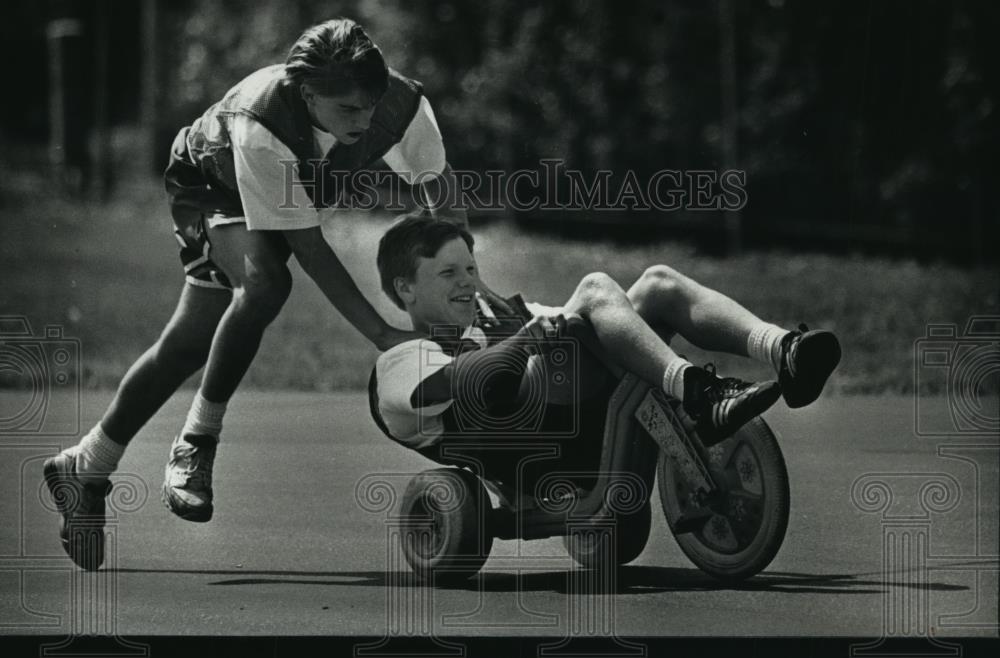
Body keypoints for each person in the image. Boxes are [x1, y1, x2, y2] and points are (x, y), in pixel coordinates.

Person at [43, 18, 508, 571]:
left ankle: (86, 464)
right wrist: (383, 332)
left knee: (191, 344)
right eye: (348, 112)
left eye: (370, 107)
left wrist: (472, 289)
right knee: (266, 283)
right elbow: (307, 246)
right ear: (308, 94)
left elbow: (442, 200)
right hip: (211, 179)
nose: (364, 123)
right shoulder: (261, 126)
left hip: (294, 184)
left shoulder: (403, 108)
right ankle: (197, 442)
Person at [368, 214, 841, 458]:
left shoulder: (501, 316)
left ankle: (784, 350)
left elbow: (577, 322)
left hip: (574, 389)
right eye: (448, 272)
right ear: (404, 288)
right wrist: (528, 341)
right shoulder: (405, 356)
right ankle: (698, 393)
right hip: (531, 422)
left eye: (471, 268)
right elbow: (442, 388)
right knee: (593, 290)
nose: (468, 282)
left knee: (657, 282)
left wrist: (537, 328)